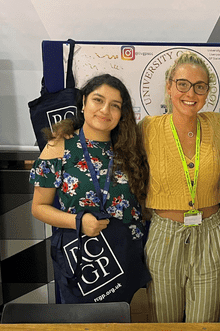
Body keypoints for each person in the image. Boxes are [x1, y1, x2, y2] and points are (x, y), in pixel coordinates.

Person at [29, 74, 150, 303]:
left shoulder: (130, 148)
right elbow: (38, 208)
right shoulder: (59, 146)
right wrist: (78, 222)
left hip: (128, 259)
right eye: (98, 100)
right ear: (83, 103)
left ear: (122, 114)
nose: (105, 110)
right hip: (85, 261)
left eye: (115, 105)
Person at [140, 52, 220, 322]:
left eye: (200, 86)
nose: (191, 93)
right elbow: (104, 139)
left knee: (206, 322)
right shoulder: (147, 128)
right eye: (182, 84)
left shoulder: (219, 124)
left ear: (207, 92)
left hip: (210, 233)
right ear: (169, 86)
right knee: (164, 321)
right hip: (165, 236)